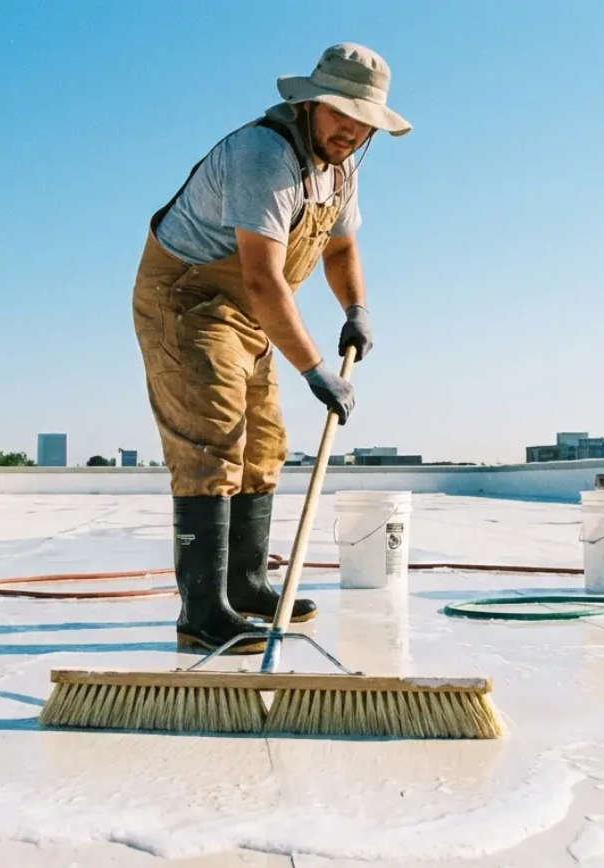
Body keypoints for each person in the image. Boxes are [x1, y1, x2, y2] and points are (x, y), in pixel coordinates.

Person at [130, 43, 411, 653]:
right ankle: (202, 614)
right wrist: (314, 369)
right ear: (310, 103)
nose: (352, 129)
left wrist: (356, 308)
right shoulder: (264, 155)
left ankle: (249, 585)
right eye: (342, 113)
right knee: (213, 441)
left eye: (365, 120)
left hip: (250, 312)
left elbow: (339, 249)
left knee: (263, 447)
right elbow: (263, 278)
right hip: (188, 300)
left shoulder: (341, 168)